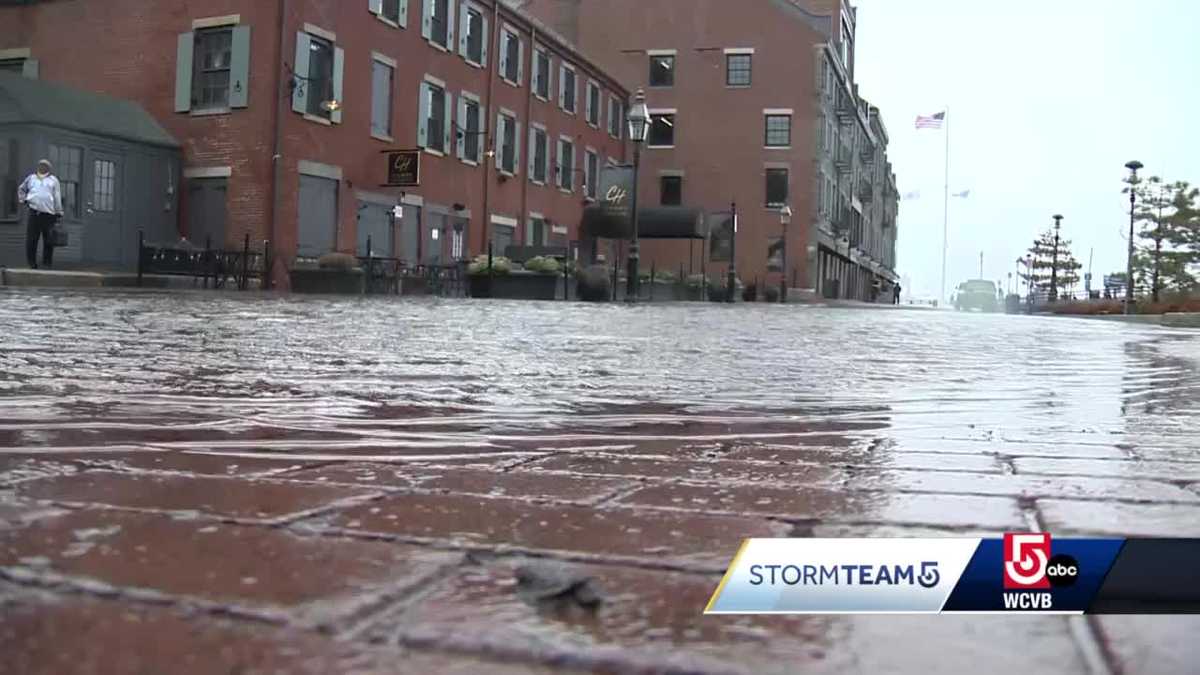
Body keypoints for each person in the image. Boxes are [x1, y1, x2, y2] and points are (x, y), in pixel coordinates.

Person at [17, 159, 64, 269]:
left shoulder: (53, 180)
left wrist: (59, 211)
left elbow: (57, 196)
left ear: (49, 168)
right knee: (31, 239)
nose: (42, 167)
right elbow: (21, 189)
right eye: (41, 165)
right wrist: (23, 200)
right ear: (38, 167)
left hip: (49, 214)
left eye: (45, 166)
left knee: (48, 240)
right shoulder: (31, 178)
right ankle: (31, 263)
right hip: (34, 213)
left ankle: (47, 263)